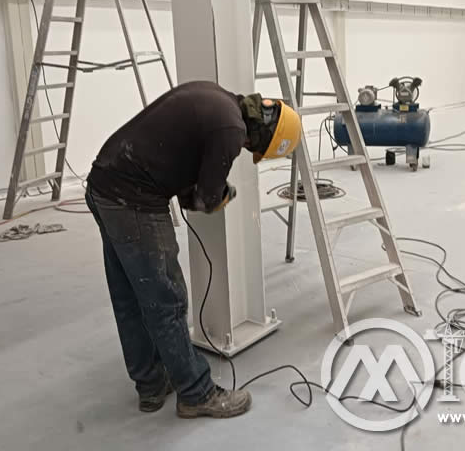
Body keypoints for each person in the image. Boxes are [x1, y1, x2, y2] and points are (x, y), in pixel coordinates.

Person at [85, 80, 302, 419]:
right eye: (253, 147)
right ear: (261, 136)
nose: (246, 149)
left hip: (103, 183)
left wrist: (200, 191)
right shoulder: (231, 130)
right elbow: (206, 197)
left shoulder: (217, 97)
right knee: (166, 299)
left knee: (130, 295)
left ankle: (152, 384)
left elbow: (182, 160)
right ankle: (196, 393)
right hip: (134, 201)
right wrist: (218, 197)